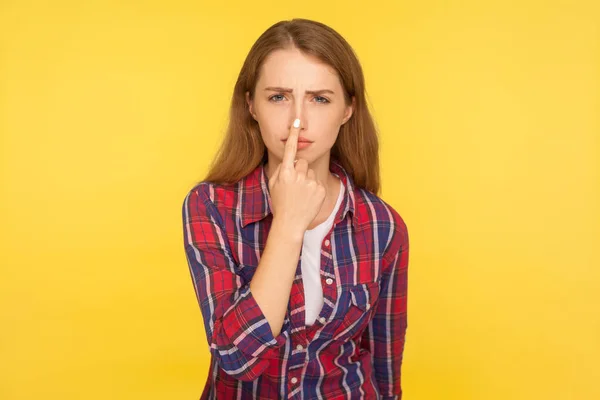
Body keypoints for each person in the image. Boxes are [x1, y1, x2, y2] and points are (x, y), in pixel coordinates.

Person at [182, 18, 409, 400]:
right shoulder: (210, 206)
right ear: (251, 104)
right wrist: (288, 222)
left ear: (348, 110)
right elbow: (236, 356)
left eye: (320, 98)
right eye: (278, 97)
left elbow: (386, 368)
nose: (297, 120)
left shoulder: (383, 226)